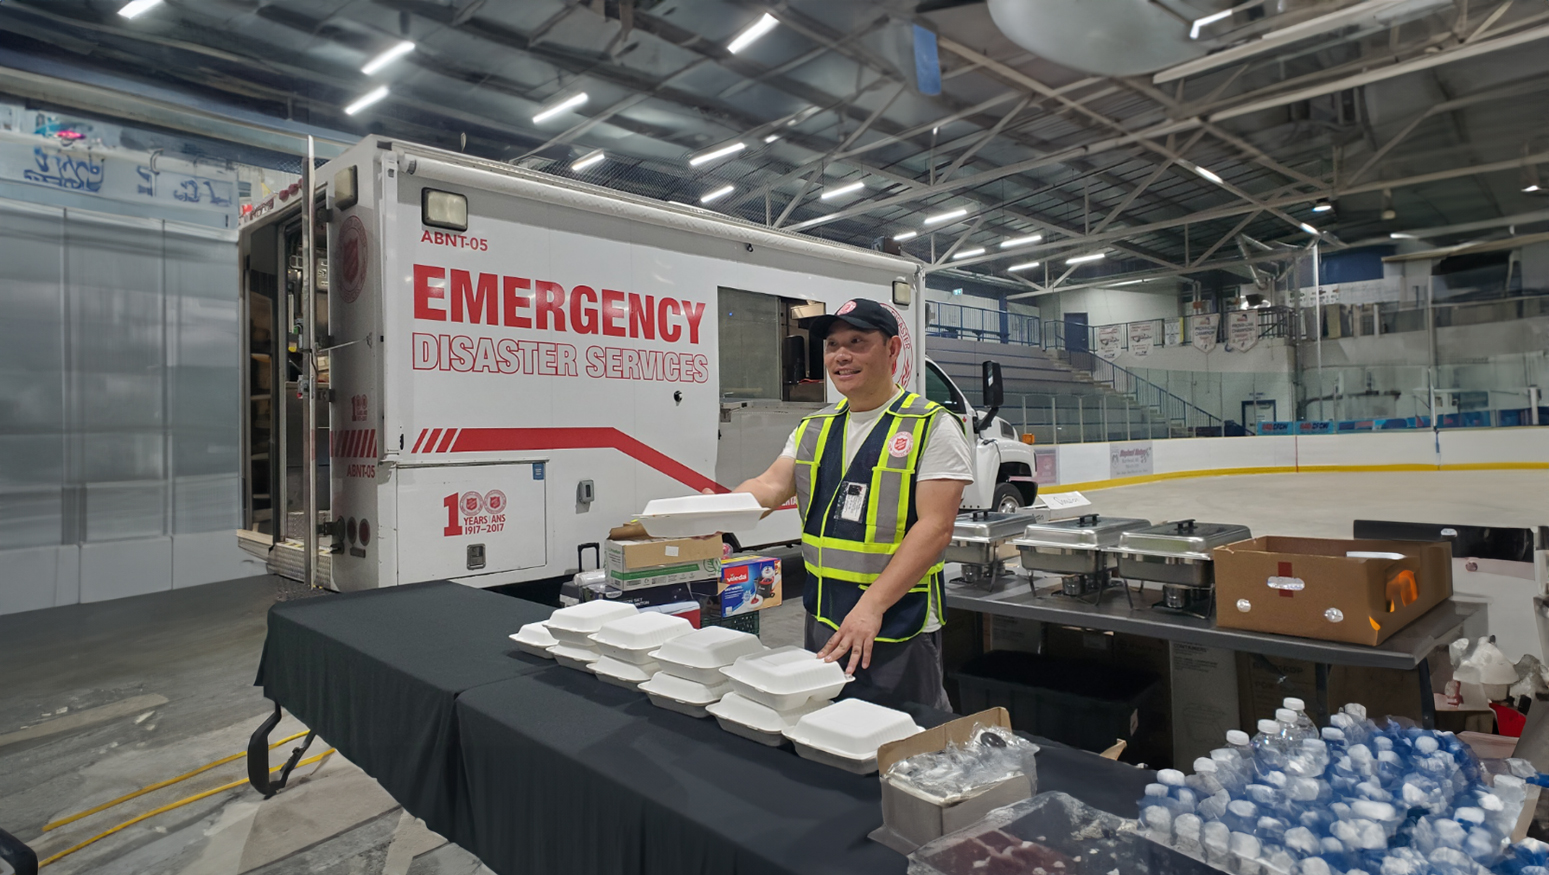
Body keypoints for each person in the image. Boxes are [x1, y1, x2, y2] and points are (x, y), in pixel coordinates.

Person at [729, 298, 972, 709]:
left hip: (896, 620)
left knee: (905, 742)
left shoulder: (932, 426)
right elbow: (770, 485)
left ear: (892, 349)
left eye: (857, 342)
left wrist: (871, 607)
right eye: (832, 345)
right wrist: (718, 511)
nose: (842, 356)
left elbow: (935, 528)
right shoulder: (815, 427)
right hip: (825, 615)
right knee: (830, 729)